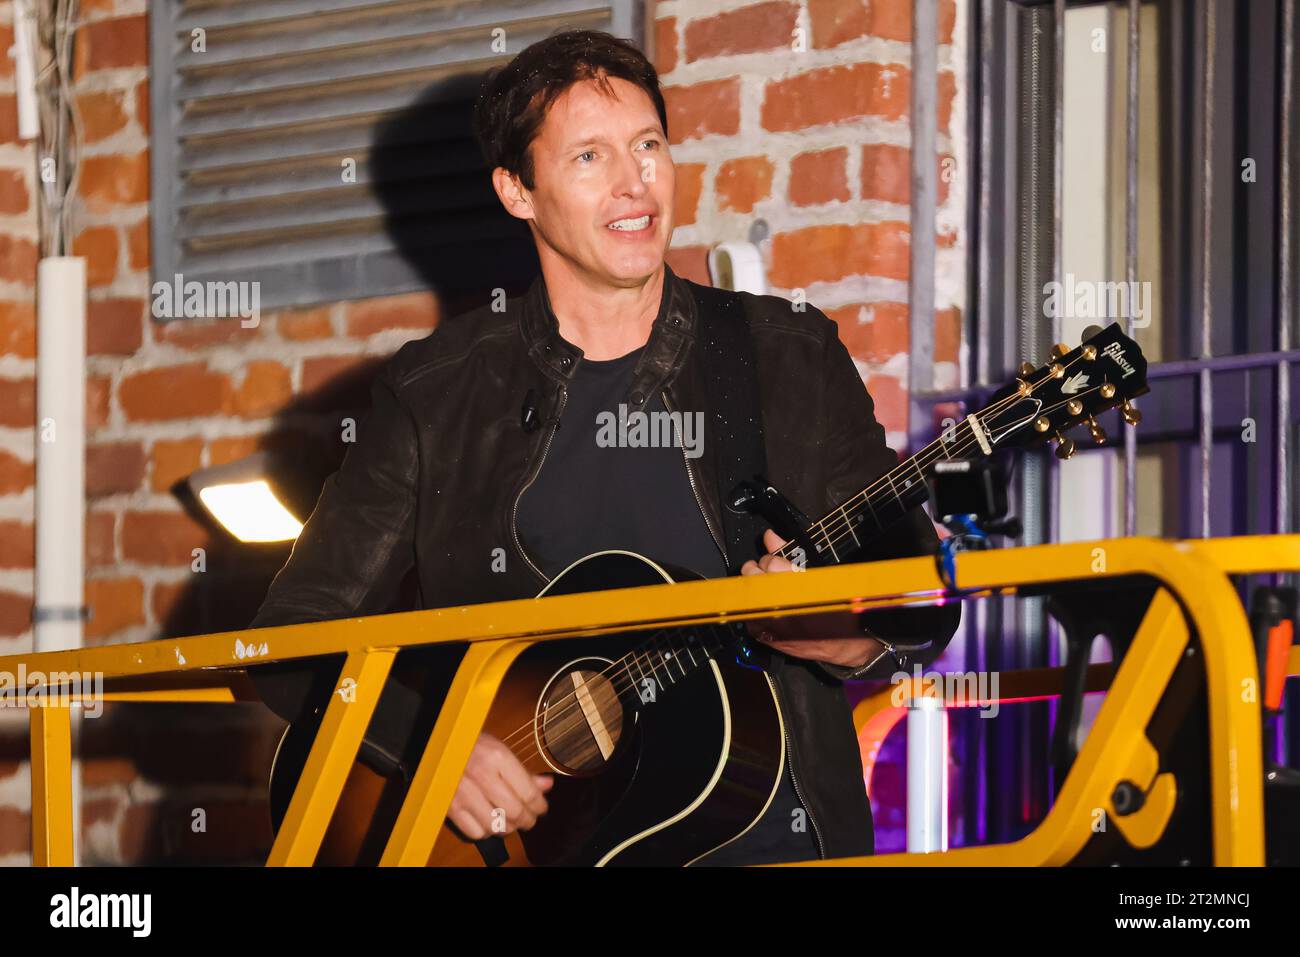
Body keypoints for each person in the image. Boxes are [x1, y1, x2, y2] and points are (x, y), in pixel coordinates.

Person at [249, 29, 960, 865]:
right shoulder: (437, 393)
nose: (636, 182)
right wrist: (432, 751)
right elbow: (289, 638)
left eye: (649, 144)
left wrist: (820, 631)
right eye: (590, 156)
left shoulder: (788, 359)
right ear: (518, 190)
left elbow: (918, 603)